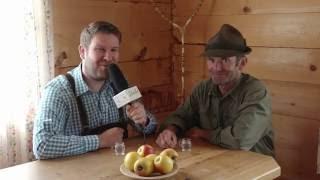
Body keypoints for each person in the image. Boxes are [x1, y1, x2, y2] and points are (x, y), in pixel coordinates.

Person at [33, 21, 157, 159]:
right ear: (82, 52)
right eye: (100, 49)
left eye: (114, 50)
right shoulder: (58, 91)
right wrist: (100, 141)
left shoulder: (119, 83)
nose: (108, 57)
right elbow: (42, 145)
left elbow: (150, 128)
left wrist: (144, 120)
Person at [156, 24, 274, 156]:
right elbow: (181, 116)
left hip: (255, 168)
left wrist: (203, 134)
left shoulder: (256, 92)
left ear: (241, 63)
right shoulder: (202, 89)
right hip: (216, 161)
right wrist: (171, 130)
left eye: (225, 60)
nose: (217, 68)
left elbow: (240, 140)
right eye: (211, 60)